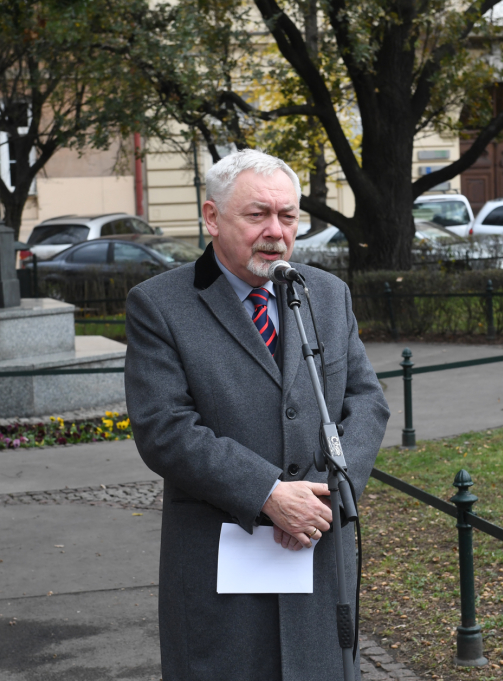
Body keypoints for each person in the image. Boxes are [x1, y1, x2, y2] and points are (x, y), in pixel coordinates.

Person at [124, 149, 389, 680]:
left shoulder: (327, 295)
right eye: (257, 215)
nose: (276, 231)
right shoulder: (159, 305)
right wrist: (268, 493)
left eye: (288, 216)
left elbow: (366, 402)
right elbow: (164, 429)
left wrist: (325, 497)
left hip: (317, 560)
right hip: (221, 576)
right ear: (212, 217)